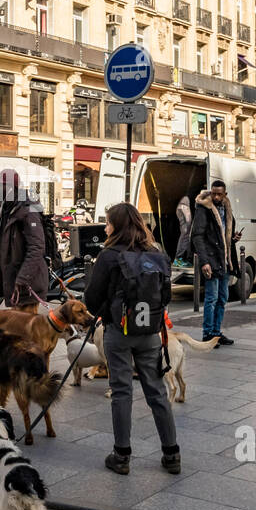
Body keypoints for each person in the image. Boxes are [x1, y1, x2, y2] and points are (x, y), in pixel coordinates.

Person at [84, 202, 179, 476]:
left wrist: (107, 313)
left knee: (122, 392)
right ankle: (171, 453)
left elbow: (91, 298)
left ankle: (121, 455)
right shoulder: (155, 253)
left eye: (108, 222)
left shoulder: (109, 255)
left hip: (118, 331)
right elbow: (166, 296)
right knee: (157, 391)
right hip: (150, 332)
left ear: (118, 225)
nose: (105, 227)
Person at [0, 168, 48, 310]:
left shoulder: (28, 209)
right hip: (13, 282)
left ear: (10, 188)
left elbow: (37, 246)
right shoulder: (5, 209)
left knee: (24, 329)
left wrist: (23, 278)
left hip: (27, 286)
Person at [190, 180, 240, 345]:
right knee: (211, 298)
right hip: (211, 259)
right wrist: (204, 262)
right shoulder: (203, 208)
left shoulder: (226, 206)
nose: (216, 196)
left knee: (222, 298)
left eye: (220, 193)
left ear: (225, 194)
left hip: (224, 260)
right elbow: (197, 236)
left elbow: (226, 232)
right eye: (214, 193)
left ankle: (217, 333)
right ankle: (207, 334)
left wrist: (233, 239)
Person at [172, 195, 193, 268]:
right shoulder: (186, 198)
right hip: (184, 205)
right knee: (186, 233)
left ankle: (181, 258)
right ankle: (178, 259)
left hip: (183, 205)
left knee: (186, 233)